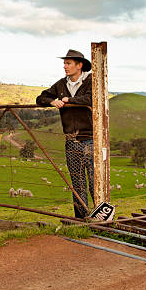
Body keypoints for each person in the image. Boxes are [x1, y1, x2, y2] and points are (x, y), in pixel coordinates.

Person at [35, 49, 94, 218]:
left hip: (90, 139)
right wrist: (52, 101)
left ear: (79, 65)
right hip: (71, 140)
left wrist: (69, 100)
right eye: (64, 63)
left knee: (94, 182)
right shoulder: (61, 84)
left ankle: (100, 218)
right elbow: (40, 98)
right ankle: (82, 219)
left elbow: (91, 98)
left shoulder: (90, 81)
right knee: (77, 182)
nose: (64, 66)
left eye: (68, 63)